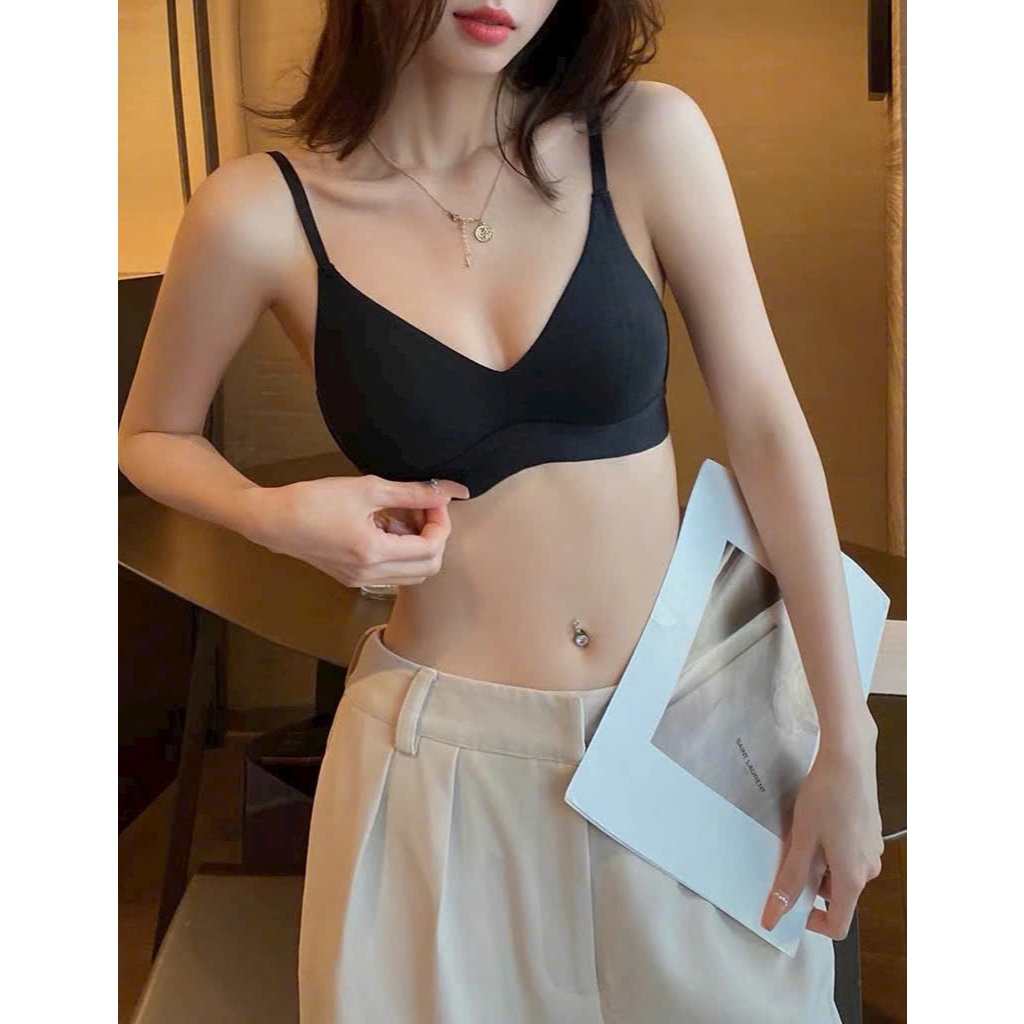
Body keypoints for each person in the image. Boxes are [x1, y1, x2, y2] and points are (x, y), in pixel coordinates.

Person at [118, 2, 884, 1021]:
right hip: (436, 767)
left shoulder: (644, 139)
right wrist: (275, 515)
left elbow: (769, 433)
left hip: (683, 742)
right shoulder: (259, 211)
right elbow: (149, 435)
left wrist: (845, 740)